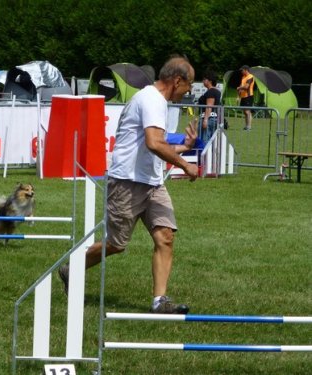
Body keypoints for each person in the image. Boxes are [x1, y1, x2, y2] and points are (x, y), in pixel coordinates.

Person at [59, 56, 198, 314]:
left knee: (165, 237)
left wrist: (185, 148)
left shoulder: (157, 102)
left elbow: (156, 143)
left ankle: (160, 302)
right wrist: (184, 164)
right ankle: (72, 267)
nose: (188, 91)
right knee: (116, 244)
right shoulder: (151, 100)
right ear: (177, 80)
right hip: (128, 181)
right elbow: (153, 143)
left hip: (153, 182)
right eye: (188, 85)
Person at [197, 69, 221, 143]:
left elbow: (209, 106)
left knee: (204, 141)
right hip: (213, 119)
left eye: (204, 79)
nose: (203, 81)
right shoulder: (216, 91)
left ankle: (204, 154)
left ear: (210, 81)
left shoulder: (211, 92)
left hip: (208, 118)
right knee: (211, 141)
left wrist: (205, 120)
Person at [237, 65, 254, 130]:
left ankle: (249, 127)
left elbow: (246, 87)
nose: (241, 71)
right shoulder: (243, 77)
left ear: (246, 70)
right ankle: (246, 126)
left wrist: (239, 87)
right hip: (243, 96)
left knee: (247, 112)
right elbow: (241, 87)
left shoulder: (250, 76)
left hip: (249, 96)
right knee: (245, 112)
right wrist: (238, 96)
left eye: (242, 70)